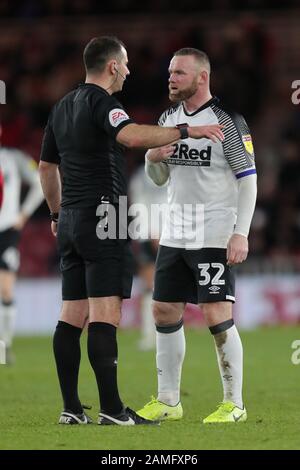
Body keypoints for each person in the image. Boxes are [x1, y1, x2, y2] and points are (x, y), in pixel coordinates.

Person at [39, 36, 224, 426]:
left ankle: (71, 409)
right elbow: (133, 137)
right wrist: (188, 130)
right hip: (105, 217)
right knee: (106, 312)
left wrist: (56, 214)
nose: (128, 70)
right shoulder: (103, 103)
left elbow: (46, 168)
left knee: (71, 314)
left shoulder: (61, 107)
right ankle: (113, 409)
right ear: (111, 67)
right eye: (124, 64)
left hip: (70, 219)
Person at [137, 48, 257, 423]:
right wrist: (151, 158)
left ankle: (233, 404)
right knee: (163, 309)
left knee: (216, 314)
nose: (170, 78)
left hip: (214, 232)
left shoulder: (227, 121)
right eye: (170, 71)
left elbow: (248, 180)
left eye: (179, 73)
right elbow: (159, 177)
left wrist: (241, 233)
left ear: (202, 77)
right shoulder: (168, 118)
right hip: (175, 231)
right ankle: (169, 401)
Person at [0, 124, 44, 364]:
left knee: (6, 289)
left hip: (6, 231)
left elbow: (39, 182)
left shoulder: (13, 158)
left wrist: (23, 214)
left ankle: (4, 346)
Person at [129, 165, 167, 351]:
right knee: (151, 287)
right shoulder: (143, 175)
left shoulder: (169, 167)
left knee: (159, 287)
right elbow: (140, 203)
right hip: (151, 233)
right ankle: (151, 335)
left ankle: (158, 334)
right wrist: (153, 230)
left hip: (164, 233)